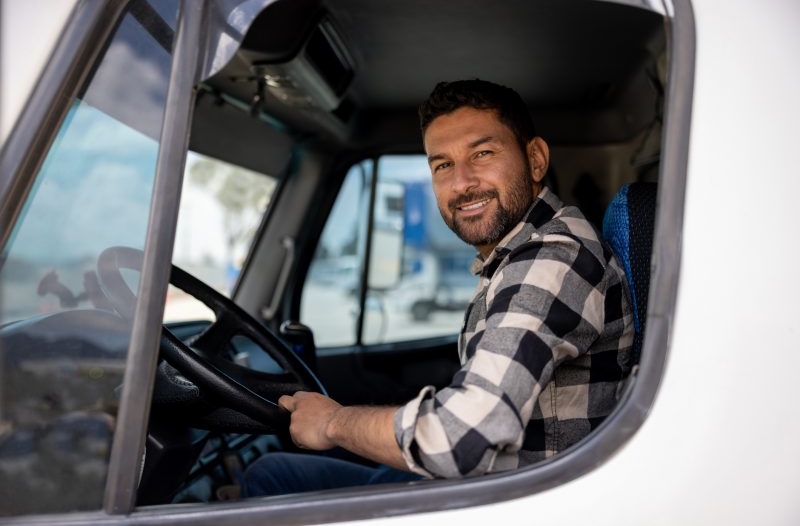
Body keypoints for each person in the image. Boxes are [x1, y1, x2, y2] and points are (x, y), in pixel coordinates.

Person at [243, 79, 634, 496]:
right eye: (442, 164)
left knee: (271, 479)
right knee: (276, 473)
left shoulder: (551, 261)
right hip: (495, 481)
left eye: (482, 153)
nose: (461, 183)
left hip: (512, 500)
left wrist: (332, 423)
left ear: (535, 159)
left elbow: (459, 439)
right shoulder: (517, 255)